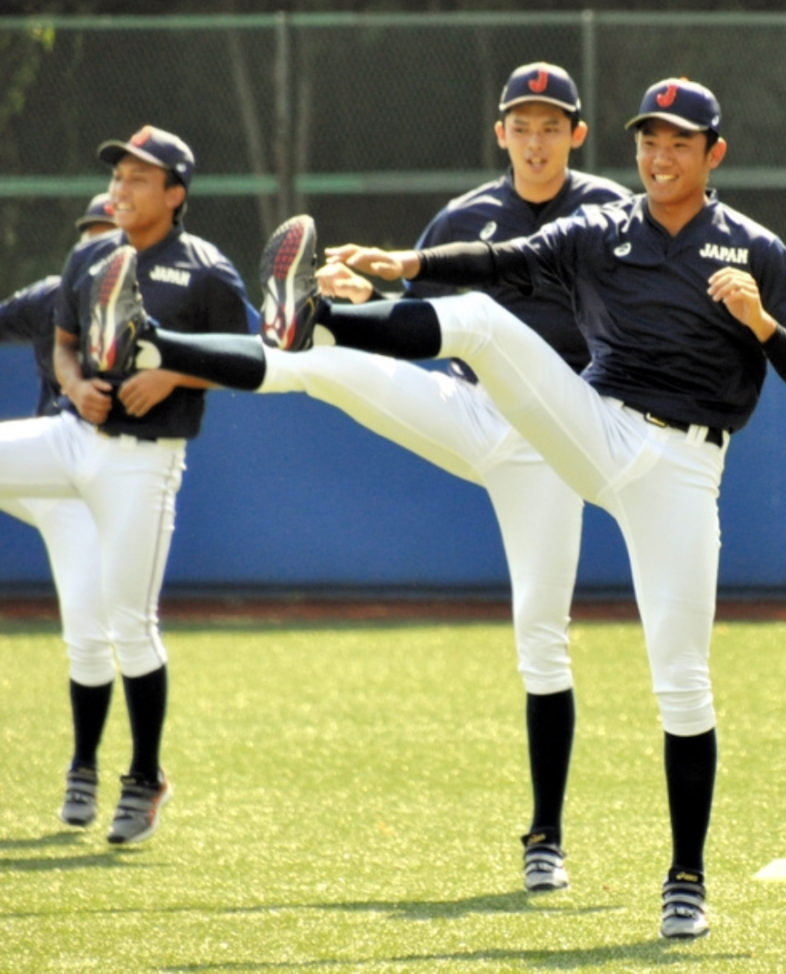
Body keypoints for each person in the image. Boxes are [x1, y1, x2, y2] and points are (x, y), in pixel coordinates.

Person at [102, 76, 786, 937]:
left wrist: (759, 324)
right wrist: (405, 265)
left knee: (681, 681)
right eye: (650, 140)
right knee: (475, 321)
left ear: (714, 154)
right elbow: (497, 265)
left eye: (679, 142)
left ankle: (685, 878)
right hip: (591, 424)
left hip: (682, 466)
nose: (660, 155)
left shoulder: (753, 249)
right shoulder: (605, 226)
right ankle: (313, 322)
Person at [109, 64, 628, 887]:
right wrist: (352, 292)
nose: (535, 139)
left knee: (542, 637)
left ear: (576, 134)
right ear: (500, 134)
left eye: (550, 125)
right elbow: (411, 305)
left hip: (552, 440)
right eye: (521, 125)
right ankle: (153, 344)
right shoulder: (468, 216)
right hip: (468, 410)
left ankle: (545, 839)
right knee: (318, 361)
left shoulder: (607, 212)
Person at [0, 126, 255, 844]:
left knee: (128, 625)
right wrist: (75, 384)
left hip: (142, 461)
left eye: (139, 180)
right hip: (72, 436)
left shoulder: (205, 269)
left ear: (176, 195)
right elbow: (65, 341)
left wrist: (173, 374)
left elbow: (247, 357)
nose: (121, 189)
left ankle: (144, 777)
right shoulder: (90, 255)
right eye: (118, 177)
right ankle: (99, 766)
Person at [0, 194, 118, 834]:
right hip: (43, 464)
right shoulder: (52, 295)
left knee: (90, 636)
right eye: (90, 234)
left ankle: (84, 771)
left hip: (88, 487)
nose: (95, 245)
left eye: (108, 234)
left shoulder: (154, 297)